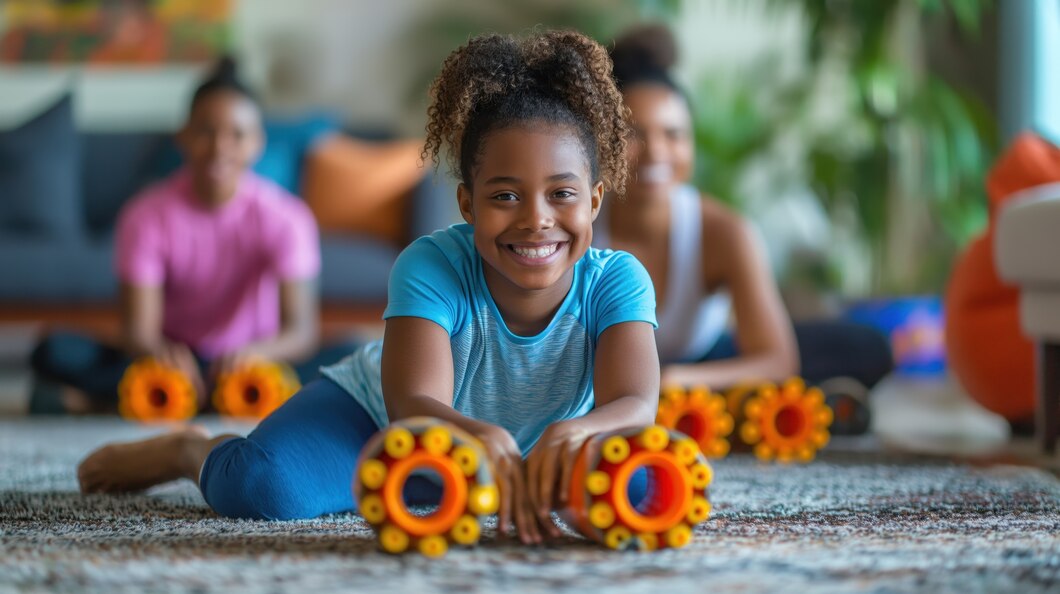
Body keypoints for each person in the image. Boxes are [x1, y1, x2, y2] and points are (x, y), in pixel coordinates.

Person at [76, 30, 660, 546]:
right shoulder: (431, 265)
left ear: (595, 200)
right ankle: (190, 448)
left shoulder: (618, 281)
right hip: (382, 422)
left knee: (639, 491)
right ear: (467, 204)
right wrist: (484, 436)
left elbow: (635, 403)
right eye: (505, 195)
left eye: (561, 193)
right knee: (262, 489)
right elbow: (413, 407)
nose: (536, 220)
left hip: (538, 447)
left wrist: (574, 432)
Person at [30, 57, 342, 414]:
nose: (219, 148)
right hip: (176, 361)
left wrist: (257, 353)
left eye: (236, 135)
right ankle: (209, 397)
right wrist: (161, 352)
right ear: (183, 137)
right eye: (206, 132)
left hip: (255, 361)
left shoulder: (287, 218)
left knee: (357, 353)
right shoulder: (145, 215)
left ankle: (92, 402)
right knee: (56, 350)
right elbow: (137, 330)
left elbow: (301, 331)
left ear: (257, 143)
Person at [599, 25, 893, 391]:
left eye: (673, 134)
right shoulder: (580, 221)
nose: (657, 151)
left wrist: (675, 382)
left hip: (697, 366)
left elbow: (777, 359)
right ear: (604, 142)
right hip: (601, 372)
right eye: (634, 134)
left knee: (866, 348)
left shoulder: (724, 231)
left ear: (692, 143)